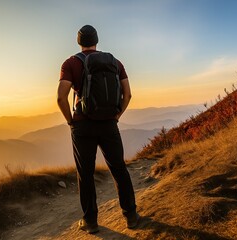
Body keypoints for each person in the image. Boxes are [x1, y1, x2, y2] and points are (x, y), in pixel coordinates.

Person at [57, 25, 139, 234]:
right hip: (109, 123)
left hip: (82, 125)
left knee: (85, 173)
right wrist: (116, 116)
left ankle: (90, 221)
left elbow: (61, 97)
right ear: (97, 40)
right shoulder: (114, 62)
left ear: (79, 42)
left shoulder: (70, 63)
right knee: (119, 168)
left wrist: (70, 121)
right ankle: (131, 216)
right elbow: (127, 94)